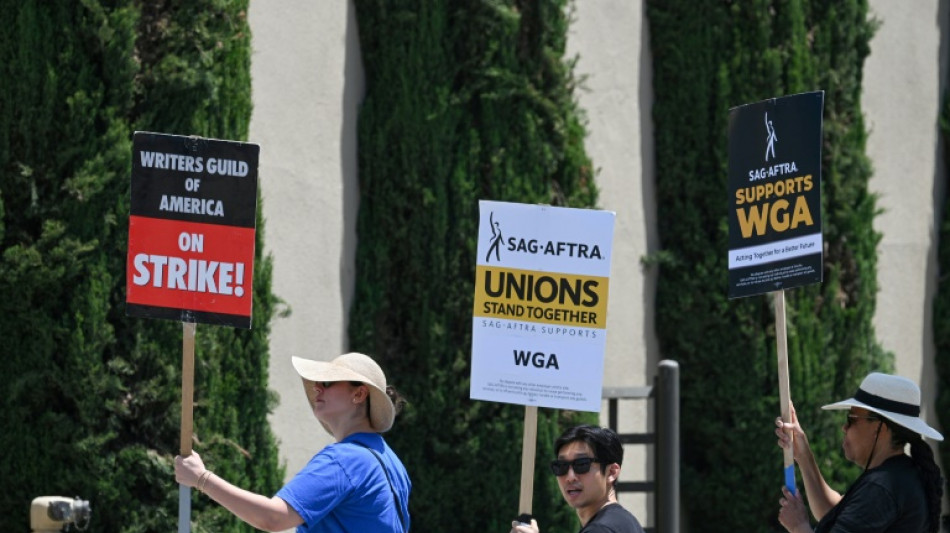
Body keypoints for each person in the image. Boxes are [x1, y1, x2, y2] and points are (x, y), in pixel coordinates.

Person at [175, 352, 411, 533]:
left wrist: (200, 479)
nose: (317, 388)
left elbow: (273, 517)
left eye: (327, 383)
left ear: (358, 395)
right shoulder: (393, 464)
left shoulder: (345, 460)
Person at [775, 372, 944, 533]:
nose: (844, 427)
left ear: (880, 428)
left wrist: (798, 526)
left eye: (851, 419)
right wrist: (803, 455)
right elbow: (835, 514)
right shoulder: (901, 475)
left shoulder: (882, 487)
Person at [511, 424, 646, 533]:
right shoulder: (622, 522)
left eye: (582, 464)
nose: (570, 477)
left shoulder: (601, 529)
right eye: (561, 466)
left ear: (611, 472)